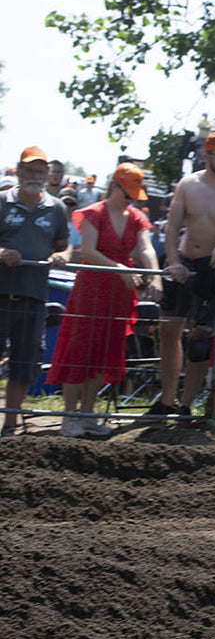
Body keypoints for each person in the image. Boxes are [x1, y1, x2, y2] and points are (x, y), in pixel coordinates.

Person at [47, 164, 160, 437]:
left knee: (104, 352)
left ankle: (87, 414)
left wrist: (156, 276)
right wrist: (119, 269)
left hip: (120, 294)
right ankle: (69, 415)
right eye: (128, 192)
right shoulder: (94, 213)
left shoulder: (136, 218)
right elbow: (88, 251)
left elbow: (145, 248)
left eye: (135, 193)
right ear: (114, 186)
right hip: (91, 290)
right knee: (80, 351)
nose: (132, 198)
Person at [150, 132, 215, 418]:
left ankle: (185, 406)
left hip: (213, 268)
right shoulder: (188, 185)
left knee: (200, 339)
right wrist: (173, 261)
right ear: (207, 155)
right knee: (168, 331)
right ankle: (166, 401)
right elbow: (172, 227)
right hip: (183, 261)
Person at [0, 146, 72, 435]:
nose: (35, 176)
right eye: (30, 170)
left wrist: (63, 257)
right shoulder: (2, 201)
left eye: (40, 171)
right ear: (18, 171)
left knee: (23, 362)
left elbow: (63, 244)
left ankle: (9, 425)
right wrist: (3, 251)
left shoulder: (56, 208)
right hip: (1, 293)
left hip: (34, 295)